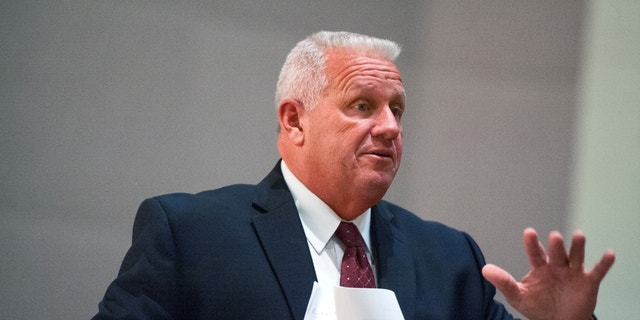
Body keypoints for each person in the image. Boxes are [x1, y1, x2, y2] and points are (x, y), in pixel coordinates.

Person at [93, 31, 615, 320]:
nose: (389, 127)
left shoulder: (450, 260)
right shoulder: (192, 235)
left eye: (398, 110)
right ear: (294, 120)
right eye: (363, 105)